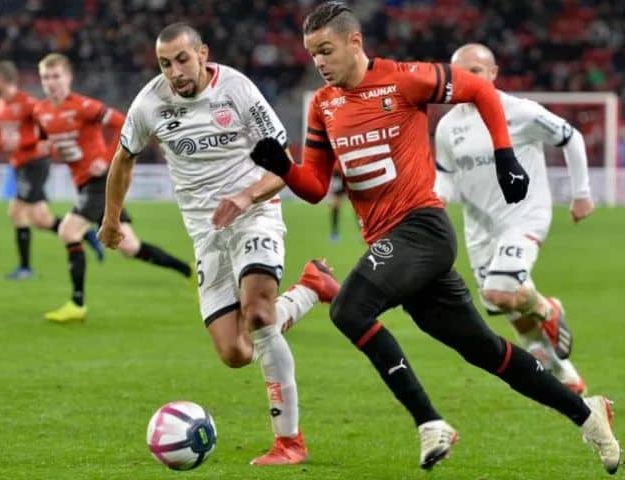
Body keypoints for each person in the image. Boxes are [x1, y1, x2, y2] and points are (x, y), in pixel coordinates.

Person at [239, 2, 619, 474]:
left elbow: (479, 88)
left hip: (422, 228)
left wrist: (505, 155)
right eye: (312, 54)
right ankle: (589, 414)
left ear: (355, 43)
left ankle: (430, 422)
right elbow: (315, 188)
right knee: (485, 350)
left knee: (349, 309)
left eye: (326, 50)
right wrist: (284, 168)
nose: (318, 62)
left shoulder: (403, 80)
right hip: (395, 244)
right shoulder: (322, 106)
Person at [98, 23, 340, 466]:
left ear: (202, 53)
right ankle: (311, 288)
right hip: (205, 233)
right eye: (165, 64)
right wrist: (111, 219)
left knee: (261, 314)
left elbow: (284, 163)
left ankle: (289, 443)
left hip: (255, 213)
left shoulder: (238, 90)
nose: (175, 71)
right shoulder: (150, 101)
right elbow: (123, 159)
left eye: (182, 60)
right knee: (235, 352)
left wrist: (247, 196)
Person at [434, 43, 593, 395]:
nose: (465, 79)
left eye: (474, 71)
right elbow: (444, 171)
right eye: (458, 72)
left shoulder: (519, 111)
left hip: (523, 216)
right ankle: (562, 370)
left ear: (493, 74)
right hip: (479, 227)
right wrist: (437, 198)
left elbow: (571, 137)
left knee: (501, 290)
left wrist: (581, 193)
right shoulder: (448, 125)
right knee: (499, 301)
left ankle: (548, 309)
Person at [33, 53, 192, 323]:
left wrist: (106, 158)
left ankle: (77, 303)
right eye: (46, 77)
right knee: (130, 247)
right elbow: (44, 141)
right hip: (84, 184)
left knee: (68, 231)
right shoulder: (41, 112)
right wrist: (45, 148)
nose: (51, 82)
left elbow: (124, 124)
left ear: (68, 77)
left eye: (57, 76)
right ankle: (190, 271)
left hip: (102, 181)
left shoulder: (85, 106)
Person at [0, 60, 103, 279]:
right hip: (19, 165)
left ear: (2, 79)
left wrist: (44, 141)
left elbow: (47, 124)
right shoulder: (1, 104)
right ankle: (86, 234)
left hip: (34, 164)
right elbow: (11, 137)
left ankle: (25, 268)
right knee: (41, 219)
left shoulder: (28, 103)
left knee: (16, 211)